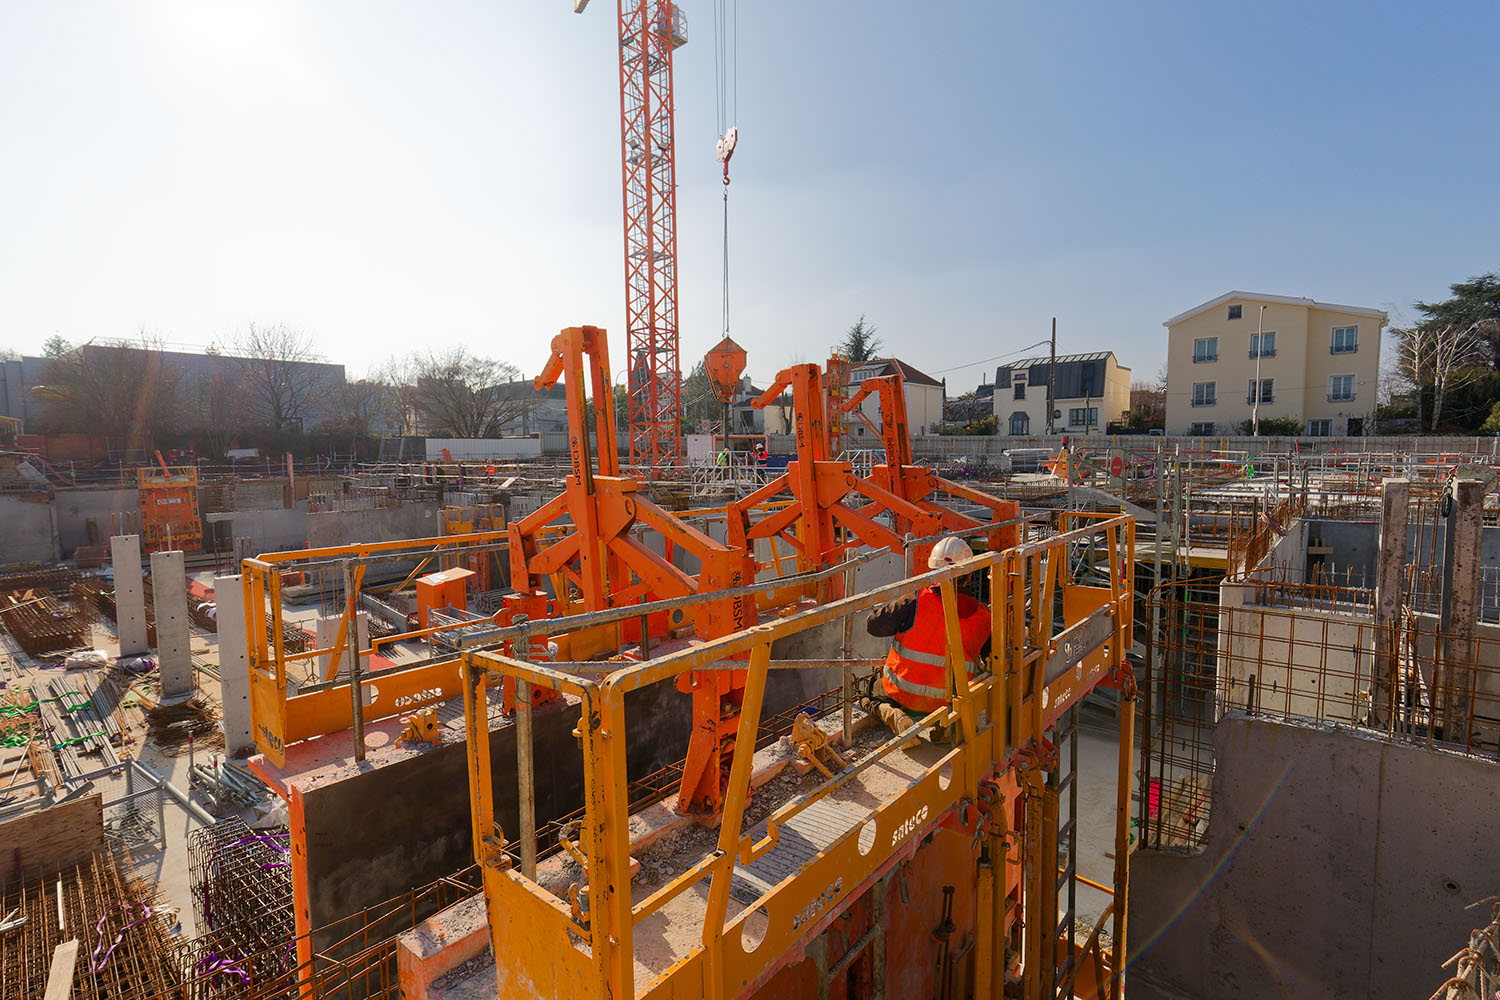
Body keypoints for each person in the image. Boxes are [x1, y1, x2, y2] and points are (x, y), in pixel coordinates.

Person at [862, 536, 990, 740]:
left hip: (902, 695)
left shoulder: (915, 601)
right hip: (949, 702)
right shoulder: (983, 617)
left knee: (869, 693)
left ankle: (897, 717)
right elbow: (992, 658)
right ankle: (945, 726)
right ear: (968, 576)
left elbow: (873, 625)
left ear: (932, 571)